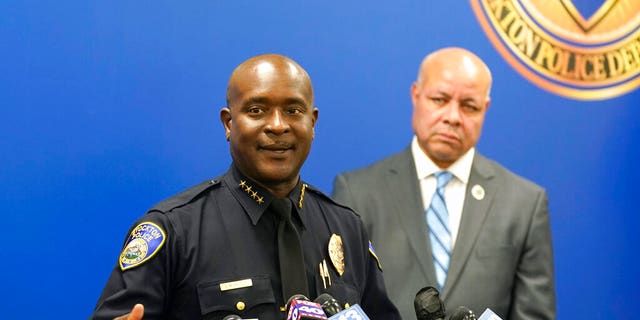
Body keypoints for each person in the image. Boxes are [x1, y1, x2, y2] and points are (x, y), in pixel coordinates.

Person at [91, 54, 400, 320]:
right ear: (228, 123)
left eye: (293, 110)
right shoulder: (175, 232)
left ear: (313, 123)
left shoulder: (348, 229)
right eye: (257, 110)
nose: (278, 125)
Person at [332, 47, 556, 320]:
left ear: (485, 109)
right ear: (416, 95)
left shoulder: (524, 203)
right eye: (440, 99)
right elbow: (344, 304)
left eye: (469, 106)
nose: (452, 117)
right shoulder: (357, 192)